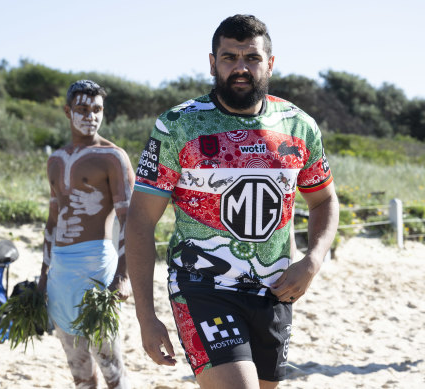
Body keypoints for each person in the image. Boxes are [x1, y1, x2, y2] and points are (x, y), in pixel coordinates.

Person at [125, 15, 339, 389]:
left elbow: (323, 200)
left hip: (274, 291)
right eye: (229, 57)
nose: (241, 68)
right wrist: (147, 315)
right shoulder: (177, 125)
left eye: (252, 58)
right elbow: (140, 220)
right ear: (212, 63)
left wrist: (313, 260)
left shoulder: (299, 126)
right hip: (202, 286)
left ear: (269, 64)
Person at [37, 80, 134, 388]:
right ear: (68, 112)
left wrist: (123, 274)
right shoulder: (55, 159)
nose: (90, 116)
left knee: (111, 367)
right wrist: (43, 274)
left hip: (97, 266)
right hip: (60, 272)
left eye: (97, 110)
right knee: (79, 370)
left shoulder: (113, 157)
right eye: (82, 109)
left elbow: (129, 221)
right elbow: (53, 220)